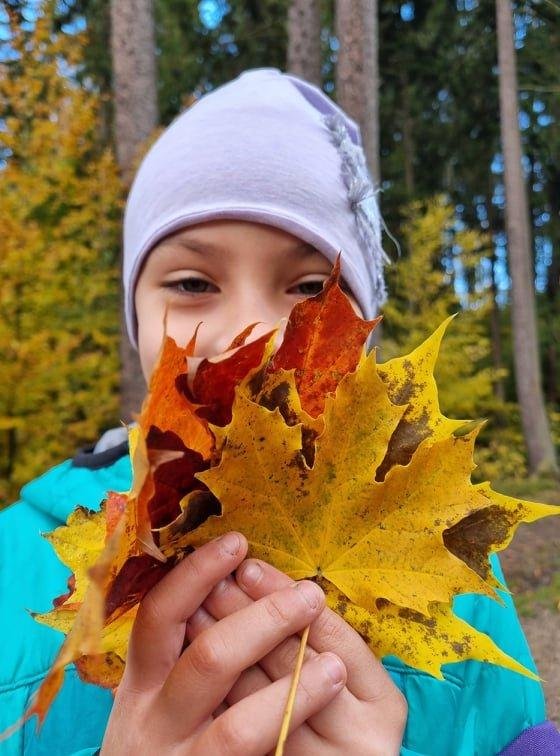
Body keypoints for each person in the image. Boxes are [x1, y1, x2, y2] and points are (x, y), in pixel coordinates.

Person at [0, 68, 557, 756]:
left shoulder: (439, 549)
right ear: (135, 317)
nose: (256, 336)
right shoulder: (18, 563)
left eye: (310, 287)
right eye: (193, 282)